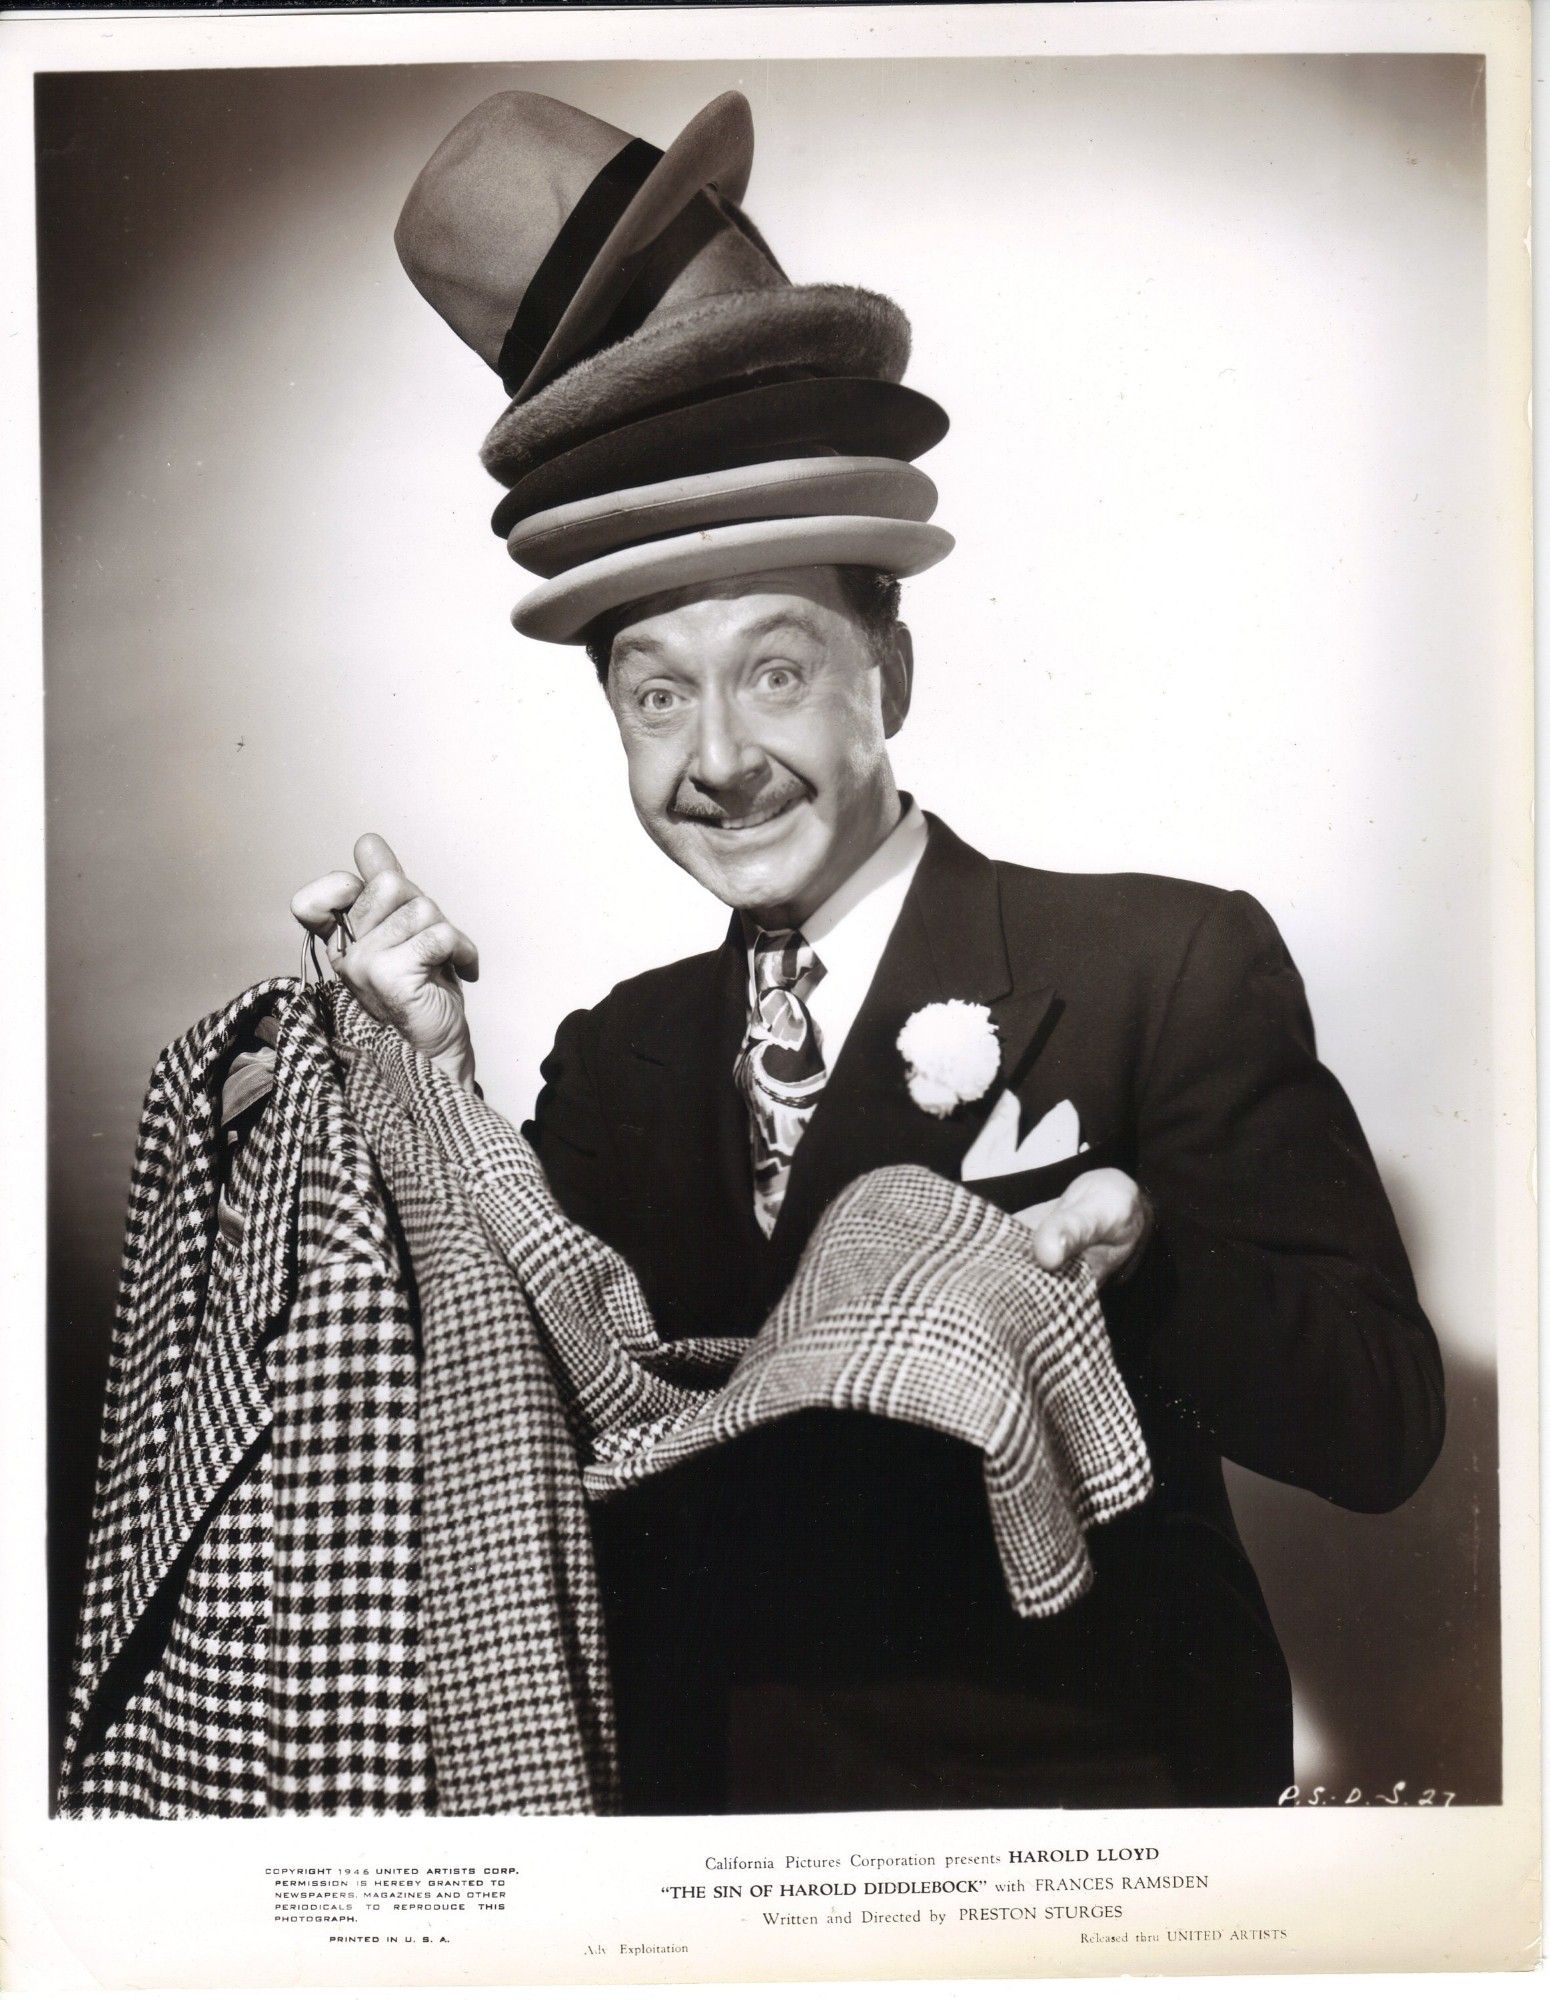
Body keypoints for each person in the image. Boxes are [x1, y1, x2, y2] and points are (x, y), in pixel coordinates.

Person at [291, 87, 1445, 1814]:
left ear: (885, 678)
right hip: (715, 1853)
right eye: (654, 694)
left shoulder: (1164, 960)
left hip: (1092, 1832)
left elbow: (1381, 1427)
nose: (714, 760)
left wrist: (1150, 1261)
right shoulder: (612, 1054)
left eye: (772, 670)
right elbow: (500, 1438)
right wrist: (421, 1079)